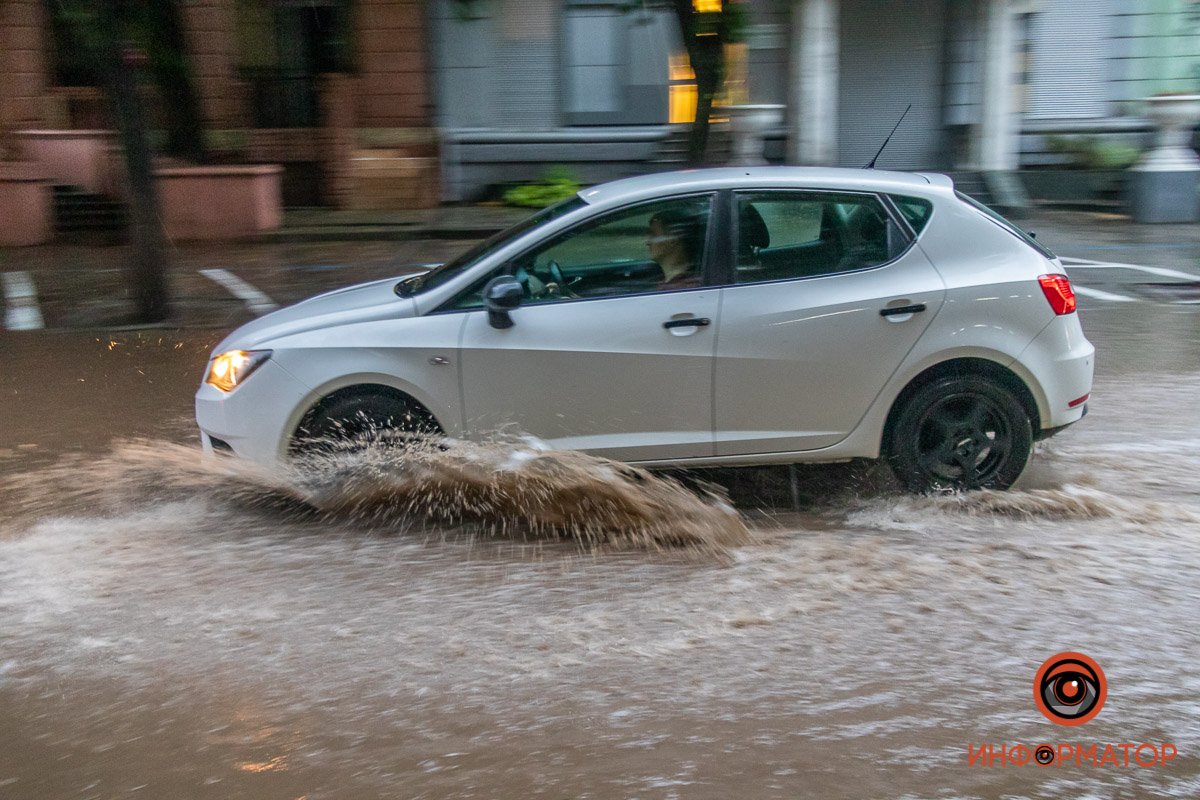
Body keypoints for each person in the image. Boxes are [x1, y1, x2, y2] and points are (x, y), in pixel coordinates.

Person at [646, 208, 704, 290]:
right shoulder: (661, 281)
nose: (647, 242)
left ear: (672, 240)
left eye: (653, 235)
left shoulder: (688, 287)